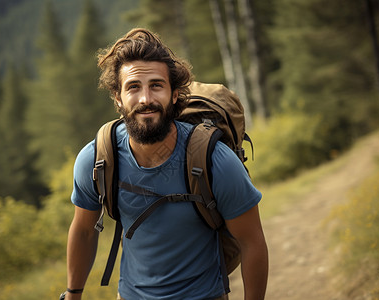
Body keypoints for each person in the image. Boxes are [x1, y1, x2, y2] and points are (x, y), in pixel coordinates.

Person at [64, 28, 268, 300]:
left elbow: (252, 242)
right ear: (118, 98)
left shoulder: (214, 160)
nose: (146, 99)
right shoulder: (97, 159)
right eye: (133, 87)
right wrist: (73, 293)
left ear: (174, 95)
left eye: (156, 86)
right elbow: (84, 230)